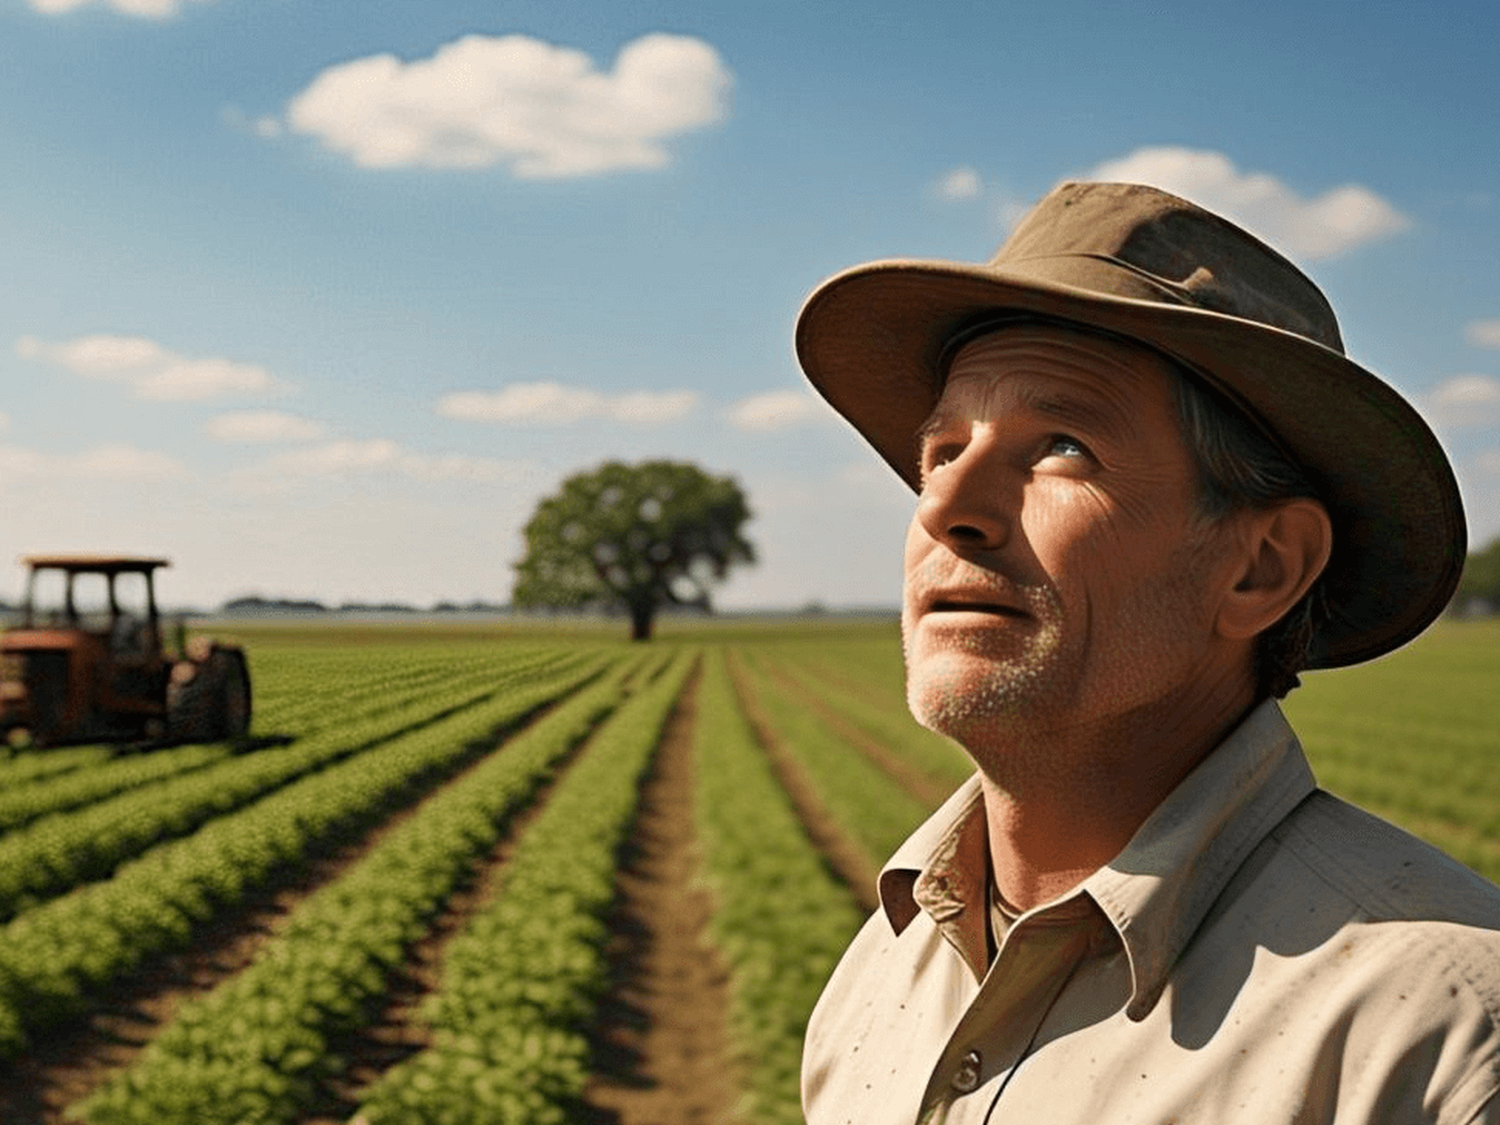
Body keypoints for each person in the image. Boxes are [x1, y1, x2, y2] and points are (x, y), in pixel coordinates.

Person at [794, 180, 1500, 1125]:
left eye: (1062, 447)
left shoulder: (1440, 1039)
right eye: (943, 448)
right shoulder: (881, 973)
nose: (943, 507)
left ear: (1260, 567)